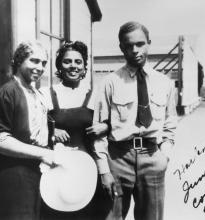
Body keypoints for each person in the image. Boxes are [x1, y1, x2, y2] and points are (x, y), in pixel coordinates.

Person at [92, 21, 177, 220]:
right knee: (112, 216)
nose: (134, 50)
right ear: (121, 47)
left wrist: (165, 156)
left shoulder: (164, 83)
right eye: (128, 45)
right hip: (118, 158)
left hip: (152, 156)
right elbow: (98, 131)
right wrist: (104, 170)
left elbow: (170, 123)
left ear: (149, 43)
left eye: (140, 44)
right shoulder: (109, 83)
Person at [40, 40, 108, 220]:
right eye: (67, 61)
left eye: (78, 62)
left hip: (87, 169)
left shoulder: (94, 95)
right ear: (59, 66)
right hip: (56, 169)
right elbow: (33, 127)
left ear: (85, 66)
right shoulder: (46, 94)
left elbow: (110, 127)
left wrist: (106, 126)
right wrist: (51, 131)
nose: (73, 66)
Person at [0, 41, 56, 219]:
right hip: (14, 174)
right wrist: (41, 153)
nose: (40, 67)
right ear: (19, 62)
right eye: (34, 61)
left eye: (43, 63)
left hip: (36, 173)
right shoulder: (8, 93)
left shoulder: (36, 94)